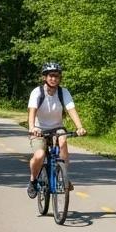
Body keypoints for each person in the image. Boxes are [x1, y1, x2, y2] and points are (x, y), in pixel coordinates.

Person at [26, 61, 87, 198]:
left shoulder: (63, 92)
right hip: (39, 129)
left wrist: (80, 127)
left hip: (57, 128)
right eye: (51, 76)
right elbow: (32, 111)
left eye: (57, 76)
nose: (54, 78)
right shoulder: (37, 92)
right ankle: (33, 180)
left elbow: (71, 109)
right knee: (40, 155)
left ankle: (63, 177)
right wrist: (32, 127)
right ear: (45, 77)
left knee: (63, 140)